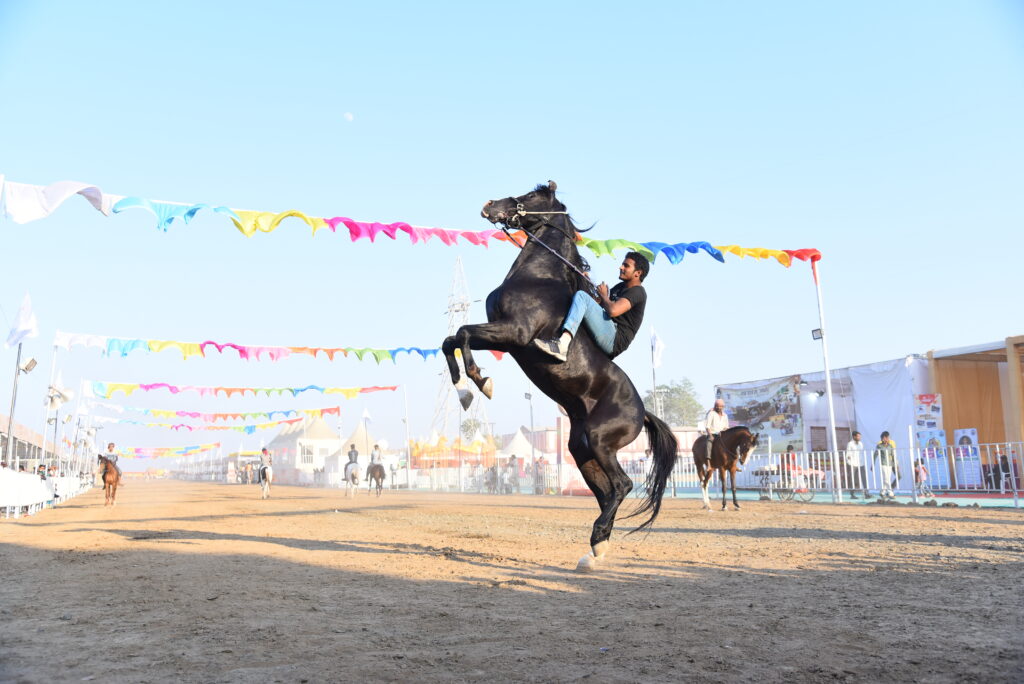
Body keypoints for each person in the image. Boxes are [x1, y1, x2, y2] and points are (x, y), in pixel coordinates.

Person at [533, 252, 650, 362]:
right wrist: (586, 282)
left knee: (582, 297)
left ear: (637, 273)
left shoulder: (638, 292)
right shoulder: (620, 287)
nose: (621, 267)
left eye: (626, 266)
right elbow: (595, 304)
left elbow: (613, 311)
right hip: (607, 328)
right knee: (579, 297)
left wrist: (604, 296)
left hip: (614, 339)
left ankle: (562, 345)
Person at [844, 431, 871, 499]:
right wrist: (848, 459)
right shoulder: (850, 444)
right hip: (852, 464)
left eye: (860, 436)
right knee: (853, 480)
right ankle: (852, 494)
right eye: (858, 436)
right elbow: (848, 453)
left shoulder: (861, 444)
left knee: (864, 478)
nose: (859, 438)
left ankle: (866, 493)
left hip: (861, 463)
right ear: (854, 436)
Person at [703, 399, 730, 466]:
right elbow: (707, 427)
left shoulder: (725, 415)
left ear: (723, 407)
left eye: (720, 406)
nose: (718, 408)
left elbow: (726, 427)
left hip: (722, 434)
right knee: (709, 441)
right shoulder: (711, 414)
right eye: (717, 406)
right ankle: (708, 462)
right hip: (713, 434)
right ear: (715, 406)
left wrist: (724, 431)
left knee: (733, 441)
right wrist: (710, 435)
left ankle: (734, 462)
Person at [874, 432, 897, 499]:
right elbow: (875, 454)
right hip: (883, 464)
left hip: (890, 464)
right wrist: (873, 463)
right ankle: (891, 493)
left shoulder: (891, 446)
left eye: (886, 438)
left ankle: (882, 492)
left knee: (886, 479)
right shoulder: (879, 446)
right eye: (882, 438)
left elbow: (893, 455)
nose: (884, 439)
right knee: (886, 478)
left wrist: (895, 464)